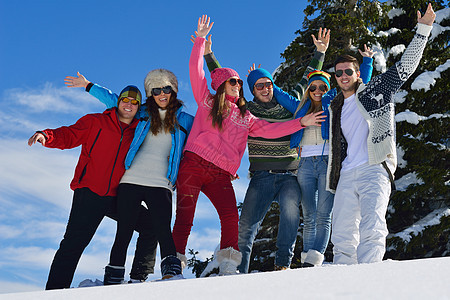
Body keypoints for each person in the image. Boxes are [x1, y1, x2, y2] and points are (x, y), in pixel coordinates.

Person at [172, 15, 326, 276]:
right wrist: (201, 44)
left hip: (226, 173)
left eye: (241, 83)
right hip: (196, 165)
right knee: (187, 215)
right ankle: (174, 263)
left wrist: (301, 122)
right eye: (237, 82)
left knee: (232, 217)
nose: (238, 85)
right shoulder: (208, 102)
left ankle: (232, 266)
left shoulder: (249, 116)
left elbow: (272, 128)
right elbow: (199, 73)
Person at [326, 3, 436, 265]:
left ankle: (368, 280)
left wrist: (423, 30)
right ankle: (340, 281)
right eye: (339, 72)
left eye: (348, 71)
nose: (343, 76)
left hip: (374, 167)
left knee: (372, 226)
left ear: (357, 73)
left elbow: (405, 68)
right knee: (341, 232)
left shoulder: (376, 88)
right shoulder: (335, 106)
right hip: (347, 172)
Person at [65, 70, 194, 282]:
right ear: (150, 93)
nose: (162, 94)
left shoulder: (186, 121)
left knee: (162, 229)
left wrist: (225, 164)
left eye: (166, 89)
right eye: (156, 90)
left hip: (161, 183)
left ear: (174, 91)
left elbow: (205, 139)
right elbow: (116, 101)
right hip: (131, 181)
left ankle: (158, 275)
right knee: (123, 232)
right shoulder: (142, 113)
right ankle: (114, 277)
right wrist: (89, 85)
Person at [28, 86, 157, 289]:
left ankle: (138, 279)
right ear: (118, 102)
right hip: (90, 192)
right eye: (125, 100)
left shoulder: (139, 132)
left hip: (118, 196)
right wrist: (46, 135)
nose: (128, 104)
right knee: (73, 244)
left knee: (152, 224)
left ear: (137, 107)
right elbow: (69, 134)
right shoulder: (95, 122)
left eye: (134, 102)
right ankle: (54, 291)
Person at [233, 28, 332, 273]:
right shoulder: (247, 112)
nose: (265, 89)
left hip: (289, 174)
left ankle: (282, 266)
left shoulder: (290, 106)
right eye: (259, 86)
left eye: (268, 84)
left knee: (290, 215)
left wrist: (319, 53)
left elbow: (306, 80)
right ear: (252, 90)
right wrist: (208, 54)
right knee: (246, 226)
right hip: (261, 175)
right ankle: (239, 273)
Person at [275, 43, 374, 267]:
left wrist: (366, 62)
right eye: (313, 87)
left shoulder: (332, 102)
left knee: (323, 214)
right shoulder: (299, 108)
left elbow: (359, 85)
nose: (317, 91)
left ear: (328, 88)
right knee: (309, 214)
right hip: (306, 165)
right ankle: (307, 257)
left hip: (328, 162)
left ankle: (315, 259)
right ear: (308, 90)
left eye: (322, 87)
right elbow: (278, 94)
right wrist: (260, 79)